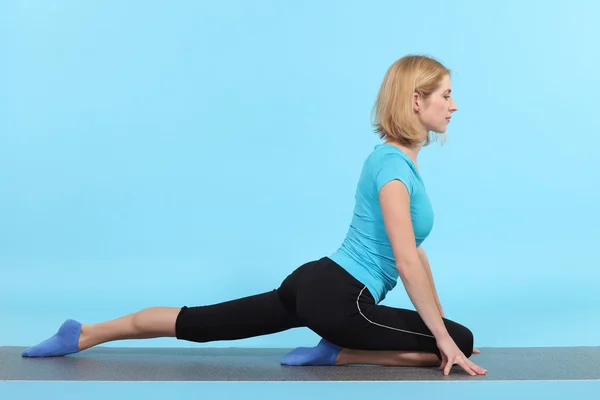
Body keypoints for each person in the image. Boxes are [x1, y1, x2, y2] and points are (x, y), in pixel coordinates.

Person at [21, 54, 487, 377]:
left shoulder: (397, 163)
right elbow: (405, 262)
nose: (454, 105)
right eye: (445, 95)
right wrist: (444, 338)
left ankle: (83, 334)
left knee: (202, 323)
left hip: (316, 281)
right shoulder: (391, 169)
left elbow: (415, 255)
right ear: (415, 101)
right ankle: (339, 354)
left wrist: (436, 324)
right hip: (342, 299)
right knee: (459, 344)